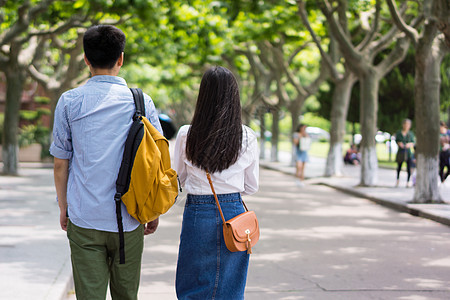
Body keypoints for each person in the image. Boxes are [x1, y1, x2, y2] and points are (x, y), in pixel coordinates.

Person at [50, 25, 162, 300]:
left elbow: (60, 164)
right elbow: (156, 160)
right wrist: (152, 209)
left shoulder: (69, 101)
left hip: (85, 218)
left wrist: (64, 207)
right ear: (121, 59)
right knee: (127, 295)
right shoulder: (142, 101)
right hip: (130, 218)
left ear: (86, 59)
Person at [174, 66, 259, 299]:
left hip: (197, 212)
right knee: (230, 286)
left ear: (203, 96)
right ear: (234, 96)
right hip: (233, 212)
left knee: (192, 282)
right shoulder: (247, 136)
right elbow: (251, 187)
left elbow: (177, 179)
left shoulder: (185, 134)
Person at [395, 118, 415, 187]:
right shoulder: (399, 133)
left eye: (408, 124)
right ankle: (397, 180)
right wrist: (400, 144)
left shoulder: (410, 134)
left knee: (409, 167)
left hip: (408, 152)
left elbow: (413, 142)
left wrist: (408, 145)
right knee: (399, 167)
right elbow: (397, 141)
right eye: (405, 124)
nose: (406, 126)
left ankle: (408, 181)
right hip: (401, 152)